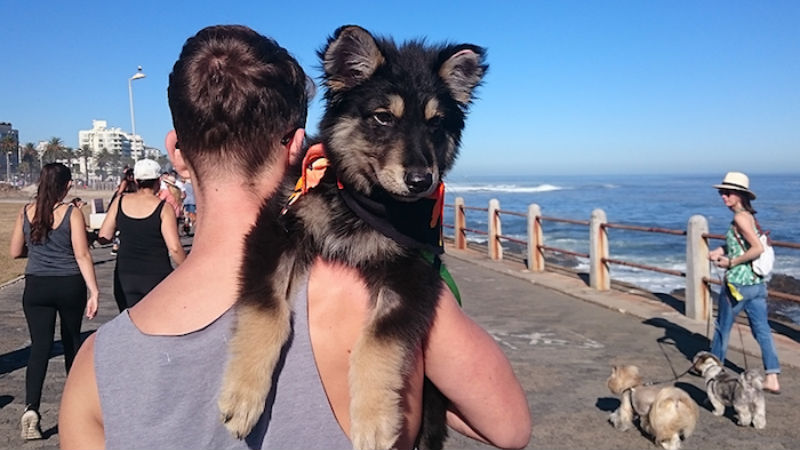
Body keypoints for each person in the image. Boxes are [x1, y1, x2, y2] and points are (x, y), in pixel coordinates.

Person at [59, 25, 530, 449]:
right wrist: (419, 375)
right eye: (384, 119)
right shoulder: (369, 292)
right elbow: (509, 428)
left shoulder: (94, 367)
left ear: (175, 153)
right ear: (298, 145)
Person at [8, 162, 99, 440]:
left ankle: (31, 410)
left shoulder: (26, 211)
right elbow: (82, 254)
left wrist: (38, 254)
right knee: (72, 343)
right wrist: (94, 290)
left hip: (36, 286)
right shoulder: (71, 213)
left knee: (39, 348)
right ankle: (76, 411)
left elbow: (14, 252)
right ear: (67, 185)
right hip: (68, 284)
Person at [708, 171, 781, 394]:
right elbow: (743, 244)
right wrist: (720, 250)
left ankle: (713, 369)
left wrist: (730, 262)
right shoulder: (748, 216)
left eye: (727, 193)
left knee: (722, 327)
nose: (723, 196)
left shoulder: (739, 218)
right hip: (757, 284)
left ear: (739, 195)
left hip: (738, 285)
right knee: (762, 330)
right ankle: (772, 377)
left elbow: (756, 249)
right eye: (722, 192)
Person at [98, 158, 186, 312]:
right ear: (158, 181)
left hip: (125, 277)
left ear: (137, 181)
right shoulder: (164, 208)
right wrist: (187, 269)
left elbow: (104, 236)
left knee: (129, 326)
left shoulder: (119, 202)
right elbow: (175, 248)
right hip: (156, 276)